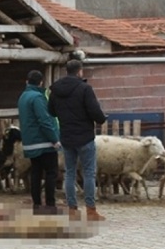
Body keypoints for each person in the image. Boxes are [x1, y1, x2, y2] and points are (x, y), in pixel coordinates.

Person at [48, 59, 107, 221]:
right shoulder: (84, 88)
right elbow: (95, 111)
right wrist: (102, 119)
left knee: (70, 173)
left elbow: (51, 111)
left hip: (67, 136)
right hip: (85, 136)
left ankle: (72, 210)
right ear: (80, 71)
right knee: (88, 173)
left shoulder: (55, 90)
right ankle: (90, 210)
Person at [17, 70, 61, 215]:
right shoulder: (38, 98)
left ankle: (36, 204)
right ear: (41, 82)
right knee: (51, 173)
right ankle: (50, 204)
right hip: (44, 143)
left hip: (30, 142)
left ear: (26, 81)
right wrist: (54, 139)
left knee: (35, 173)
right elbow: (44, 120)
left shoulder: (23, 97)